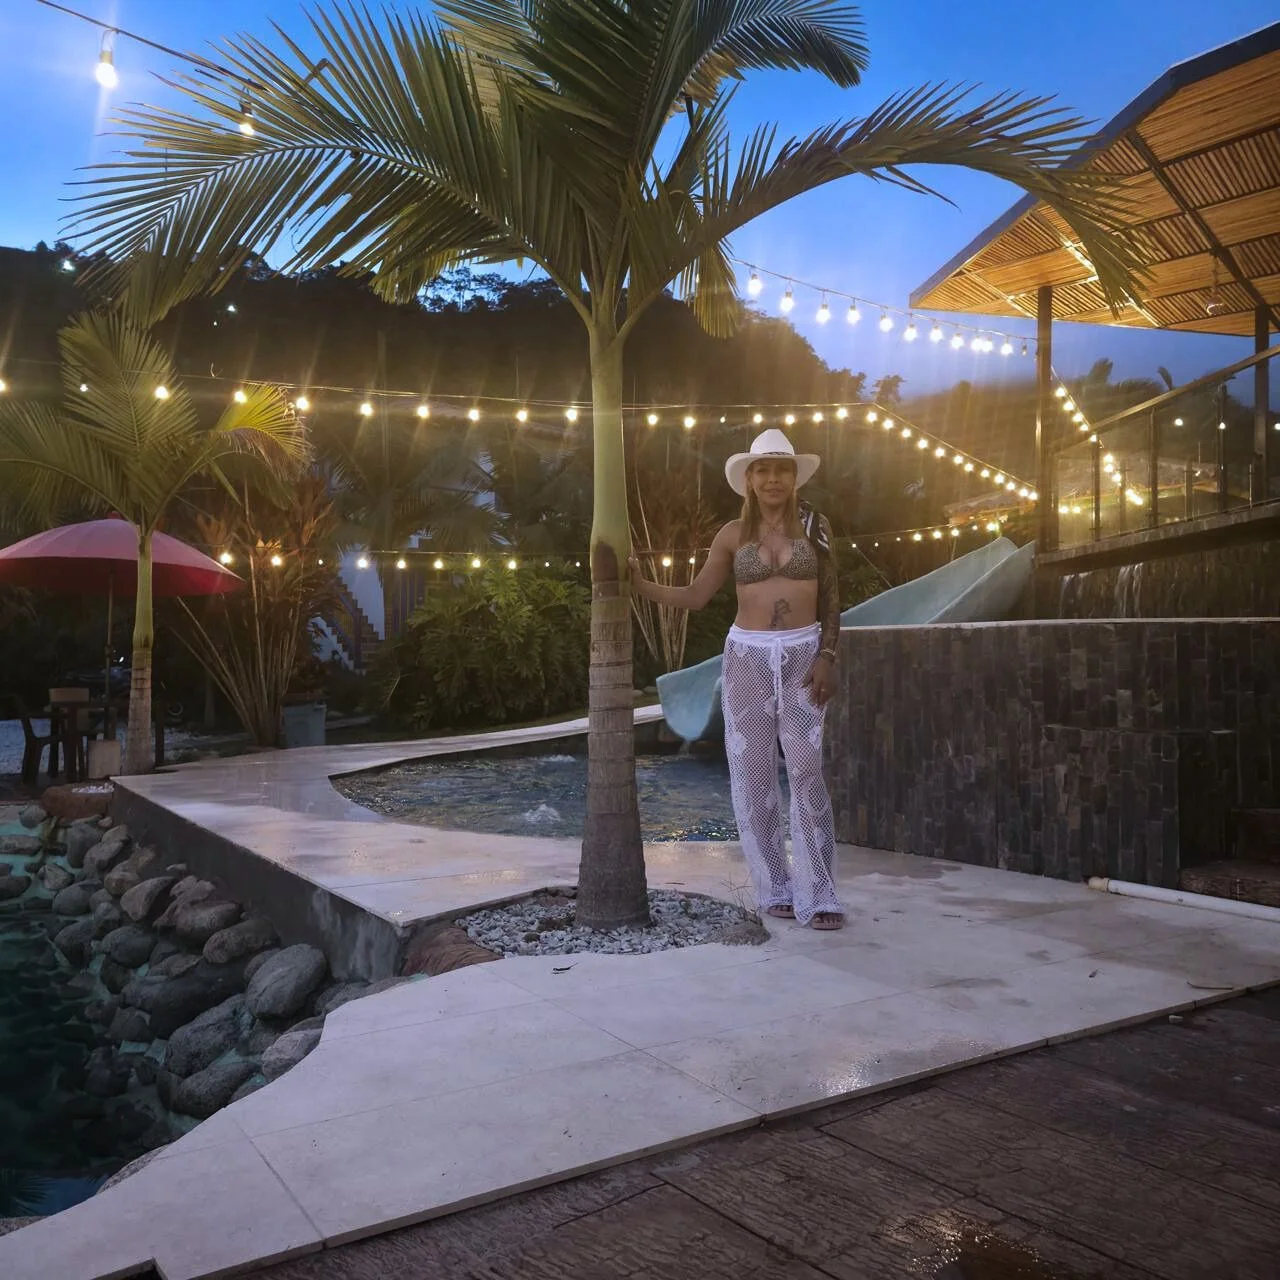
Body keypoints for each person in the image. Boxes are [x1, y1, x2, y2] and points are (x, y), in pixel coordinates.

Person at [630, 428, 845, 930]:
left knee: (806, 769)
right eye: (763, 470)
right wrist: (639, 584)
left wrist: (828, 655)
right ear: (749, 479)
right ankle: (776, 887)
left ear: (794, 477)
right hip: (747, 656)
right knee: (753, 774)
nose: (773, 479)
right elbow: (696, 596)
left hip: (803, 652)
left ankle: (821, 892)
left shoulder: (815, 526)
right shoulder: (731, 534)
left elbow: (833, 596)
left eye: (782, 469)